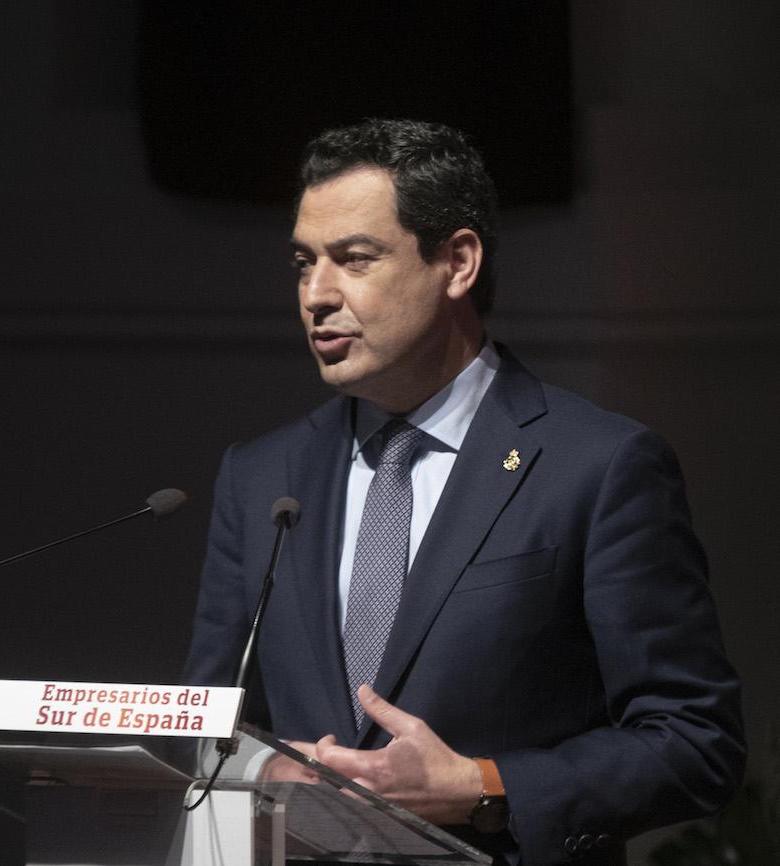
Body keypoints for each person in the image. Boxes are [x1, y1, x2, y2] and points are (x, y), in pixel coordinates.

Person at [182, 118, 745, 865]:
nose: (315, 295)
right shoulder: (260, 476)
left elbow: (694, 743)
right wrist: (266, 770)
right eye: (302, 262)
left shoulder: (599, 466)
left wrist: (481, 784)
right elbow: (204, 720)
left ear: (457, 262)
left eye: (354, 259)